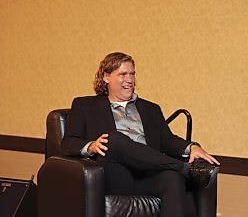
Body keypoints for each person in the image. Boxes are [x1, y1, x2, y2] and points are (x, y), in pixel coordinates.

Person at [61, 52, 220, 217]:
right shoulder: (85, 105)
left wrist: (191, 147)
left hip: (147, 175)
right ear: (106, 77)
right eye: (123, 74)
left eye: (132, 74)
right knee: (112, 139)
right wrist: (92, 146)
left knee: (172, 179)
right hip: (115, 175)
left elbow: (167, 141)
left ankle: (181, 171)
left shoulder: (150, 109)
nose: (129, 80)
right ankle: (185, 169)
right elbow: (68, 143)